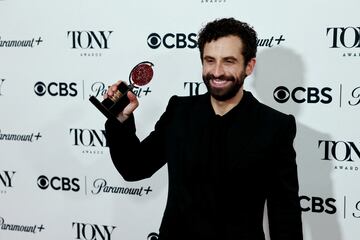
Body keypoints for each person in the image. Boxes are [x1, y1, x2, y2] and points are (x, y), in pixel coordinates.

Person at [104, 17, 303, 240]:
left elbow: (285, 215)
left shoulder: (275, 126)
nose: (217, 71)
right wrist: (120, 118)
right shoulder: (179, 112)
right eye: (210, 60)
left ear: (249, 66)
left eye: (228, 61)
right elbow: (134, 168)